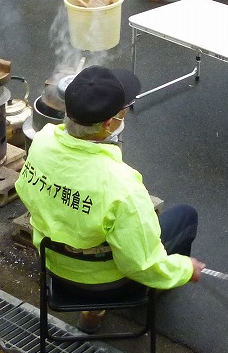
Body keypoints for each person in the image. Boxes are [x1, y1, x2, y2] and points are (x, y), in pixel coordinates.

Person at [16, 66, 203, 333]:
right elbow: (142, 263)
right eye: (123, 110)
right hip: (105, 282)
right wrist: (184, 269)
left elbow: (26, 191)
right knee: (185, 216)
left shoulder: (42, 142)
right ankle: (136, 297)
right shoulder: (122, 186)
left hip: (53, 265)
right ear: (108, 124)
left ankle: (92, 314)